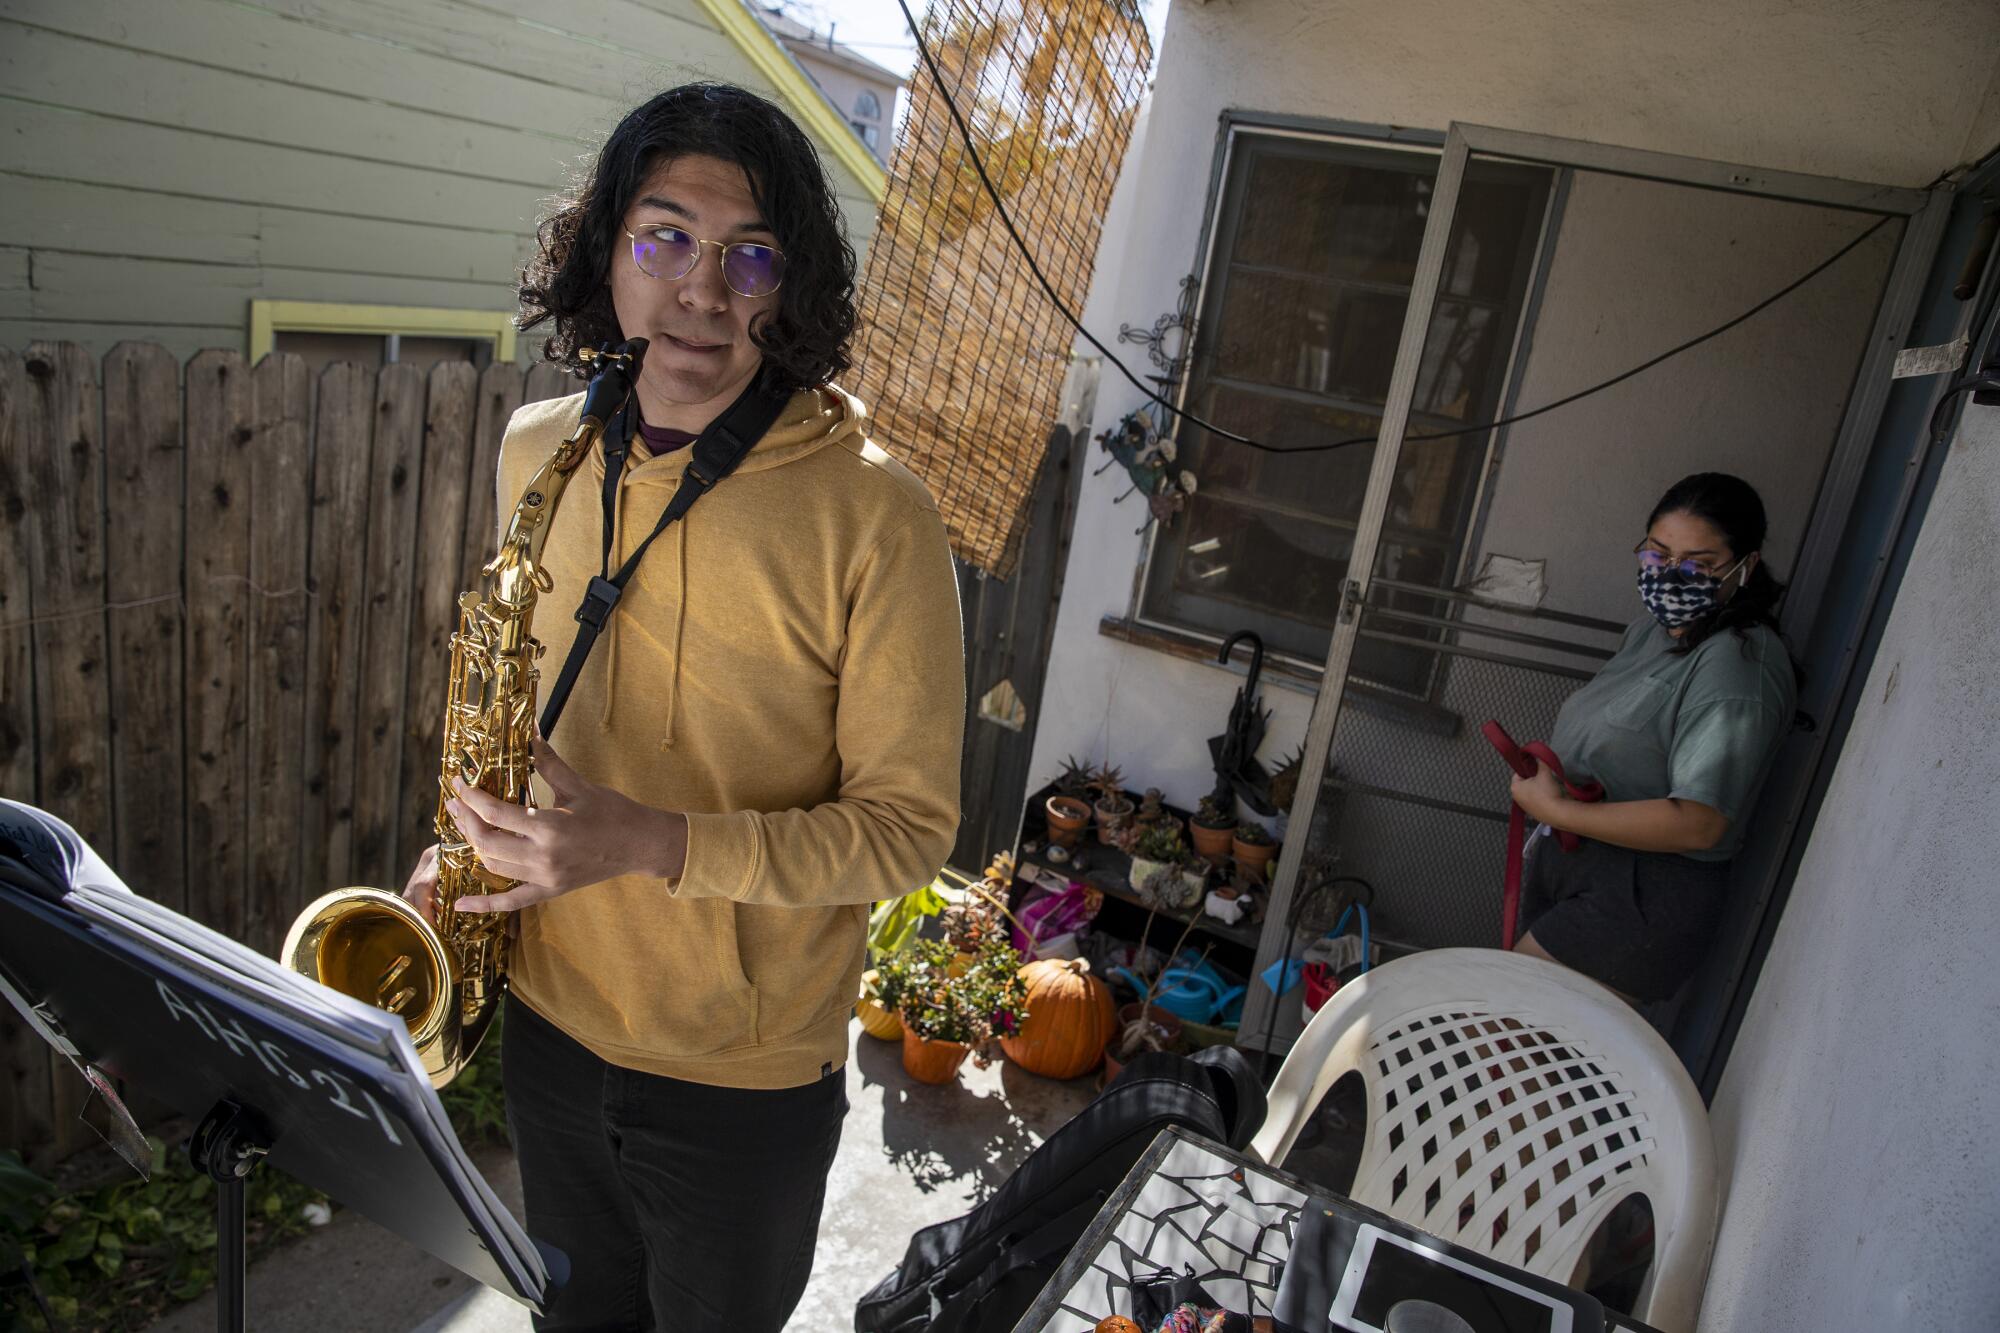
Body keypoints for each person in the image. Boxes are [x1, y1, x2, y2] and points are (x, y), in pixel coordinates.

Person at [401, 83, 965, 1331]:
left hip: (742, 1076)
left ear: (792, 281)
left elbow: (906, 829)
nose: (701, 291)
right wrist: (460, 857)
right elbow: (525, 711)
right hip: (548, 1030)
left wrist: (648, 841)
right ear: (604, 252)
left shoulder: (877, 513)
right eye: (662, 238)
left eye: (747, 253)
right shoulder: (536, 447)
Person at [1509, 473, 1798, 1002]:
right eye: (1658, 554)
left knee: (1502, 1038)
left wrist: (1558, 812)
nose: (1670, 576)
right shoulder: (1652, 632)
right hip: (1581, 863)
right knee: (1509, 1046)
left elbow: (1701, 822)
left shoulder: (1737, 664)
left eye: (1698, 565)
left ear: (1745, 567)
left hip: (1643, 895)